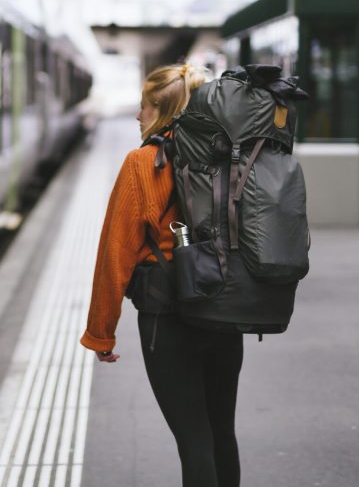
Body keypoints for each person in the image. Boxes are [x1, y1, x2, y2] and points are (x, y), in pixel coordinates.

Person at [80, 63, 246, 487]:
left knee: (194, 441)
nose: (137, 116)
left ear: (165, 111)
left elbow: (114, 253)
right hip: (225, 309)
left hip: (168, 317)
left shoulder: (142, 164)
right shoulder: (232, 157)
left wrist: (102, 332)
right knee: (220, 434)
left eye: (144, 107)